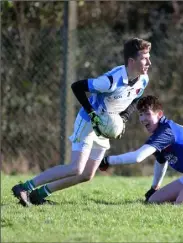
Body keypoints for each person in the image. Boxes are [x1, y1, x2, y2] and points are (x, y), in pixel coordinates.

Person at [12, 38, 152, 206]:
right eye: (145, 58)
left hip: (103, 125)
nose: (149, 62)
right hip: (87, 122)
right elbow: (76, 86)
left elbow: (135, 99)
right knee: (75, 168)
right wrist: (91, 113)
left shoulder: (143, 79)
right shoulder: (110, 81)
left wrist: (124, 118)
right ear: (132, 61)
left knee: (86, 174)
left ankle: (38, 195)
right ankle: (24, 187)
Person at [99, 95, 183, 206]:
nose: (143, 119)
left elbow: (138, 157)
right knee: (153, 201)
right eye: (140, 114)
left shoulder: (166, 132)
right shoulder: (162, 132)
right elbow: (161, 161)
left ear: (159, 115)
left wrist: (108, 160)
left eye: (147, 114)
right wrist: (154, 187)